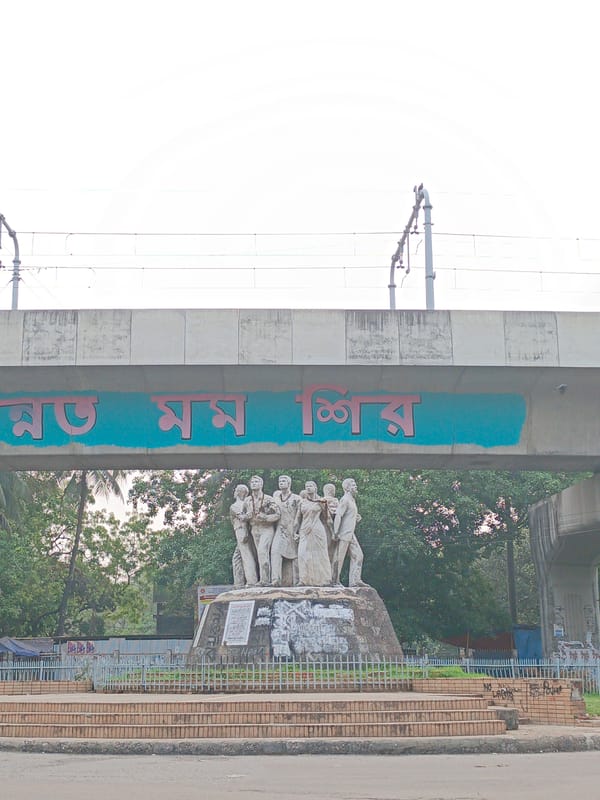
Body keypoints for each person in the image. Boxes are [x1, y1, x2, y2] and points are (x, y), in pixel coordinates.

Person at [241, 475, 280, 585]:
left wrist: (266, 518)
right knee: (260, 554)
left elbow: (277, 514)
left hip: (266, 528)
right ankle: (263, 578)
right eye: (252, 482)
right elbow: (242, 515)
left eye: (256, 481)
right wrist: (244, 517)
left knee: (263, 552)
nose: (254, 483)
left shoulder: (268, 499)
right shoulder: (247, 500)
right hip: (254, 529)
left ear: (261, 484)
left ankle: (265, 580)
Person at [293, 480, 332, 586]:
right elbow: (297, 519)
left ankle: (325, 580)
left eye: (310, 486)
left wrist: (333, 533)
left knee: (320, 554)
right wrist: (294, 532)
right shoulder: (302, 502)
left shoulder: (322, 501)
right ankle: (304, 579)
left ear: (315, 488)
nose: (308, 488)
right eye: (306, 486)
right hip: (304, 530)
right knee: (302, 554)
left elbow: (327, 518)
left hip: (317, 529)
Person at [332, 477, 365, 587]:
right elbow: (338, 515)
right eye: (353, 485)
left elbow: (347, 515)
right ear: (347, 487)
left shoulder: (352, 500)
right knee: (339, 558)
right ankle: (334, 581)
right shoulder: (345, 499)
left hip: (351, 533)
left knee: (358, 555)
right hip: (344, 533)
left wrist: (355, 517)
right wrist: (336, 532)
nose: (356, 487)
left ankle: (355, 581)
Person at [271, 474, 300, 586]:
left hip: (293, 529)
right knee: (275, 552)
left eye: (283, 481)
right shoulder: (275, 499)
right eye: (279, 481)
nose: (281, 482)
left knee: (296, 556)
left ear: (289, 483)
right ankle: (275, 580)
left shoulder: (296, 498)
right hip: (280, 529)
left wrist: (298, 531)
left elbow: (300, 516)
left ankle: (297, 581)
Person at [229, 483, 258, 587]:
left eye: (236, 490)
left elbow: (242, 518)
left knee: (246, 555)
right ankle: (239, 583)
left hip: (241, 530)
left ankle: (251, 581)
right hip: (246, 530)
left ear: (238, 492)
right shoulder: (248, 504)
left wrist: (245, 532)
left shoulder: (235, 506)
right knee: (236, 557)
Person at [321, 482, 339, 565]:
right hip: (330, 527)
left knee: (324, 550)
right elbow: (334, 514)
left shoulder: (320, 500)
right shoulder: (333, 500)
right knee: (330, 551)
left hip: (321, 527)